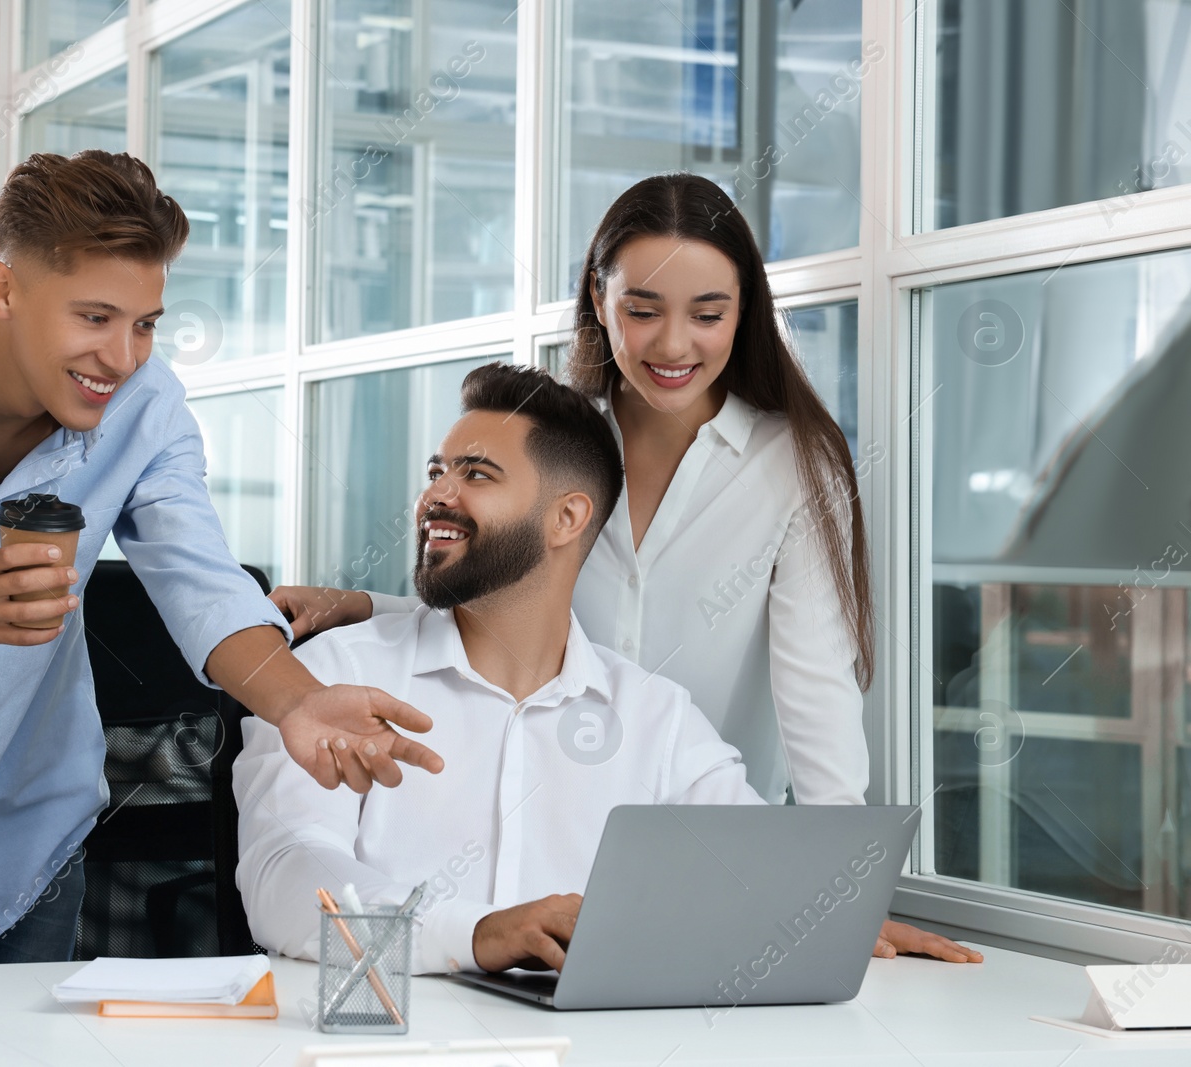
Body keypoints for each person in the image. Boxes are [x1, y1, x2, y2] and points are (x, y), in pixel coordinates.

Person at [0, 151, 442, 969]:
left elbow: (202, 581)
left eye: (145, 323)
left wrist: (296, 702)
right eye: (94, 317)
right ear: (4, 290)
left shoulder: (146, 409)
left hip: (23, 846)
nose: (123, 356)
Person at [270, 174, 981, 964]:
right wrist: (377, 609)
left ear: (744, 316)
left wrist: (838, 898)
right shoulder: (555, 444)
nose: (674, 345)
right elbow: (506, 601)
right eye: (642, 311)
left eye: (708, 314)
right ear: (598, 304)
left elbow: (818, 694)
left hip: (700, 836)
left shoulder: (791, 465)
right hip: (552, 832)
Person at [235, 362, 766, 975]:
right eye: (436, 472)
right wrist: (476, 933)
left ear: (566, 518)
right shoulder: (330, 678)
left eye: (476, 474)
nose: (436, 493)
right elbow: (286, 878)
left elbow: (755, 872)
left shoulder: (656, 716)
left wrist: (822, 918)